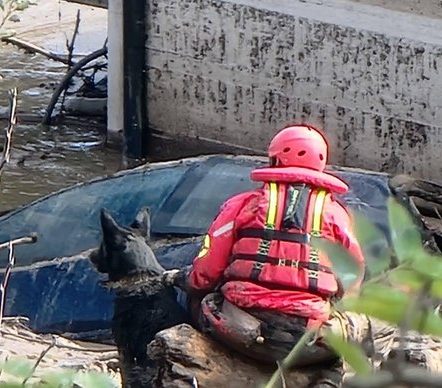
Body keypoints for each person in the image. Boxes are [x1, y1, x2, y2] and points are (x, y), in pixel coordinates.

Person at [163, 124, 391, 386]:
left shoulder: (242, 205)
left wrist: (185, 281)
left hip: (237, 331)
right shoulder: (337, 215)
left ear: (275, 159)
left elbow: (204, 274)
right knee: (356, 326)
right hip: (305, 343)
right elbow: (353, 275)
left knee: (200, 297)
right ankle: (329, 378)